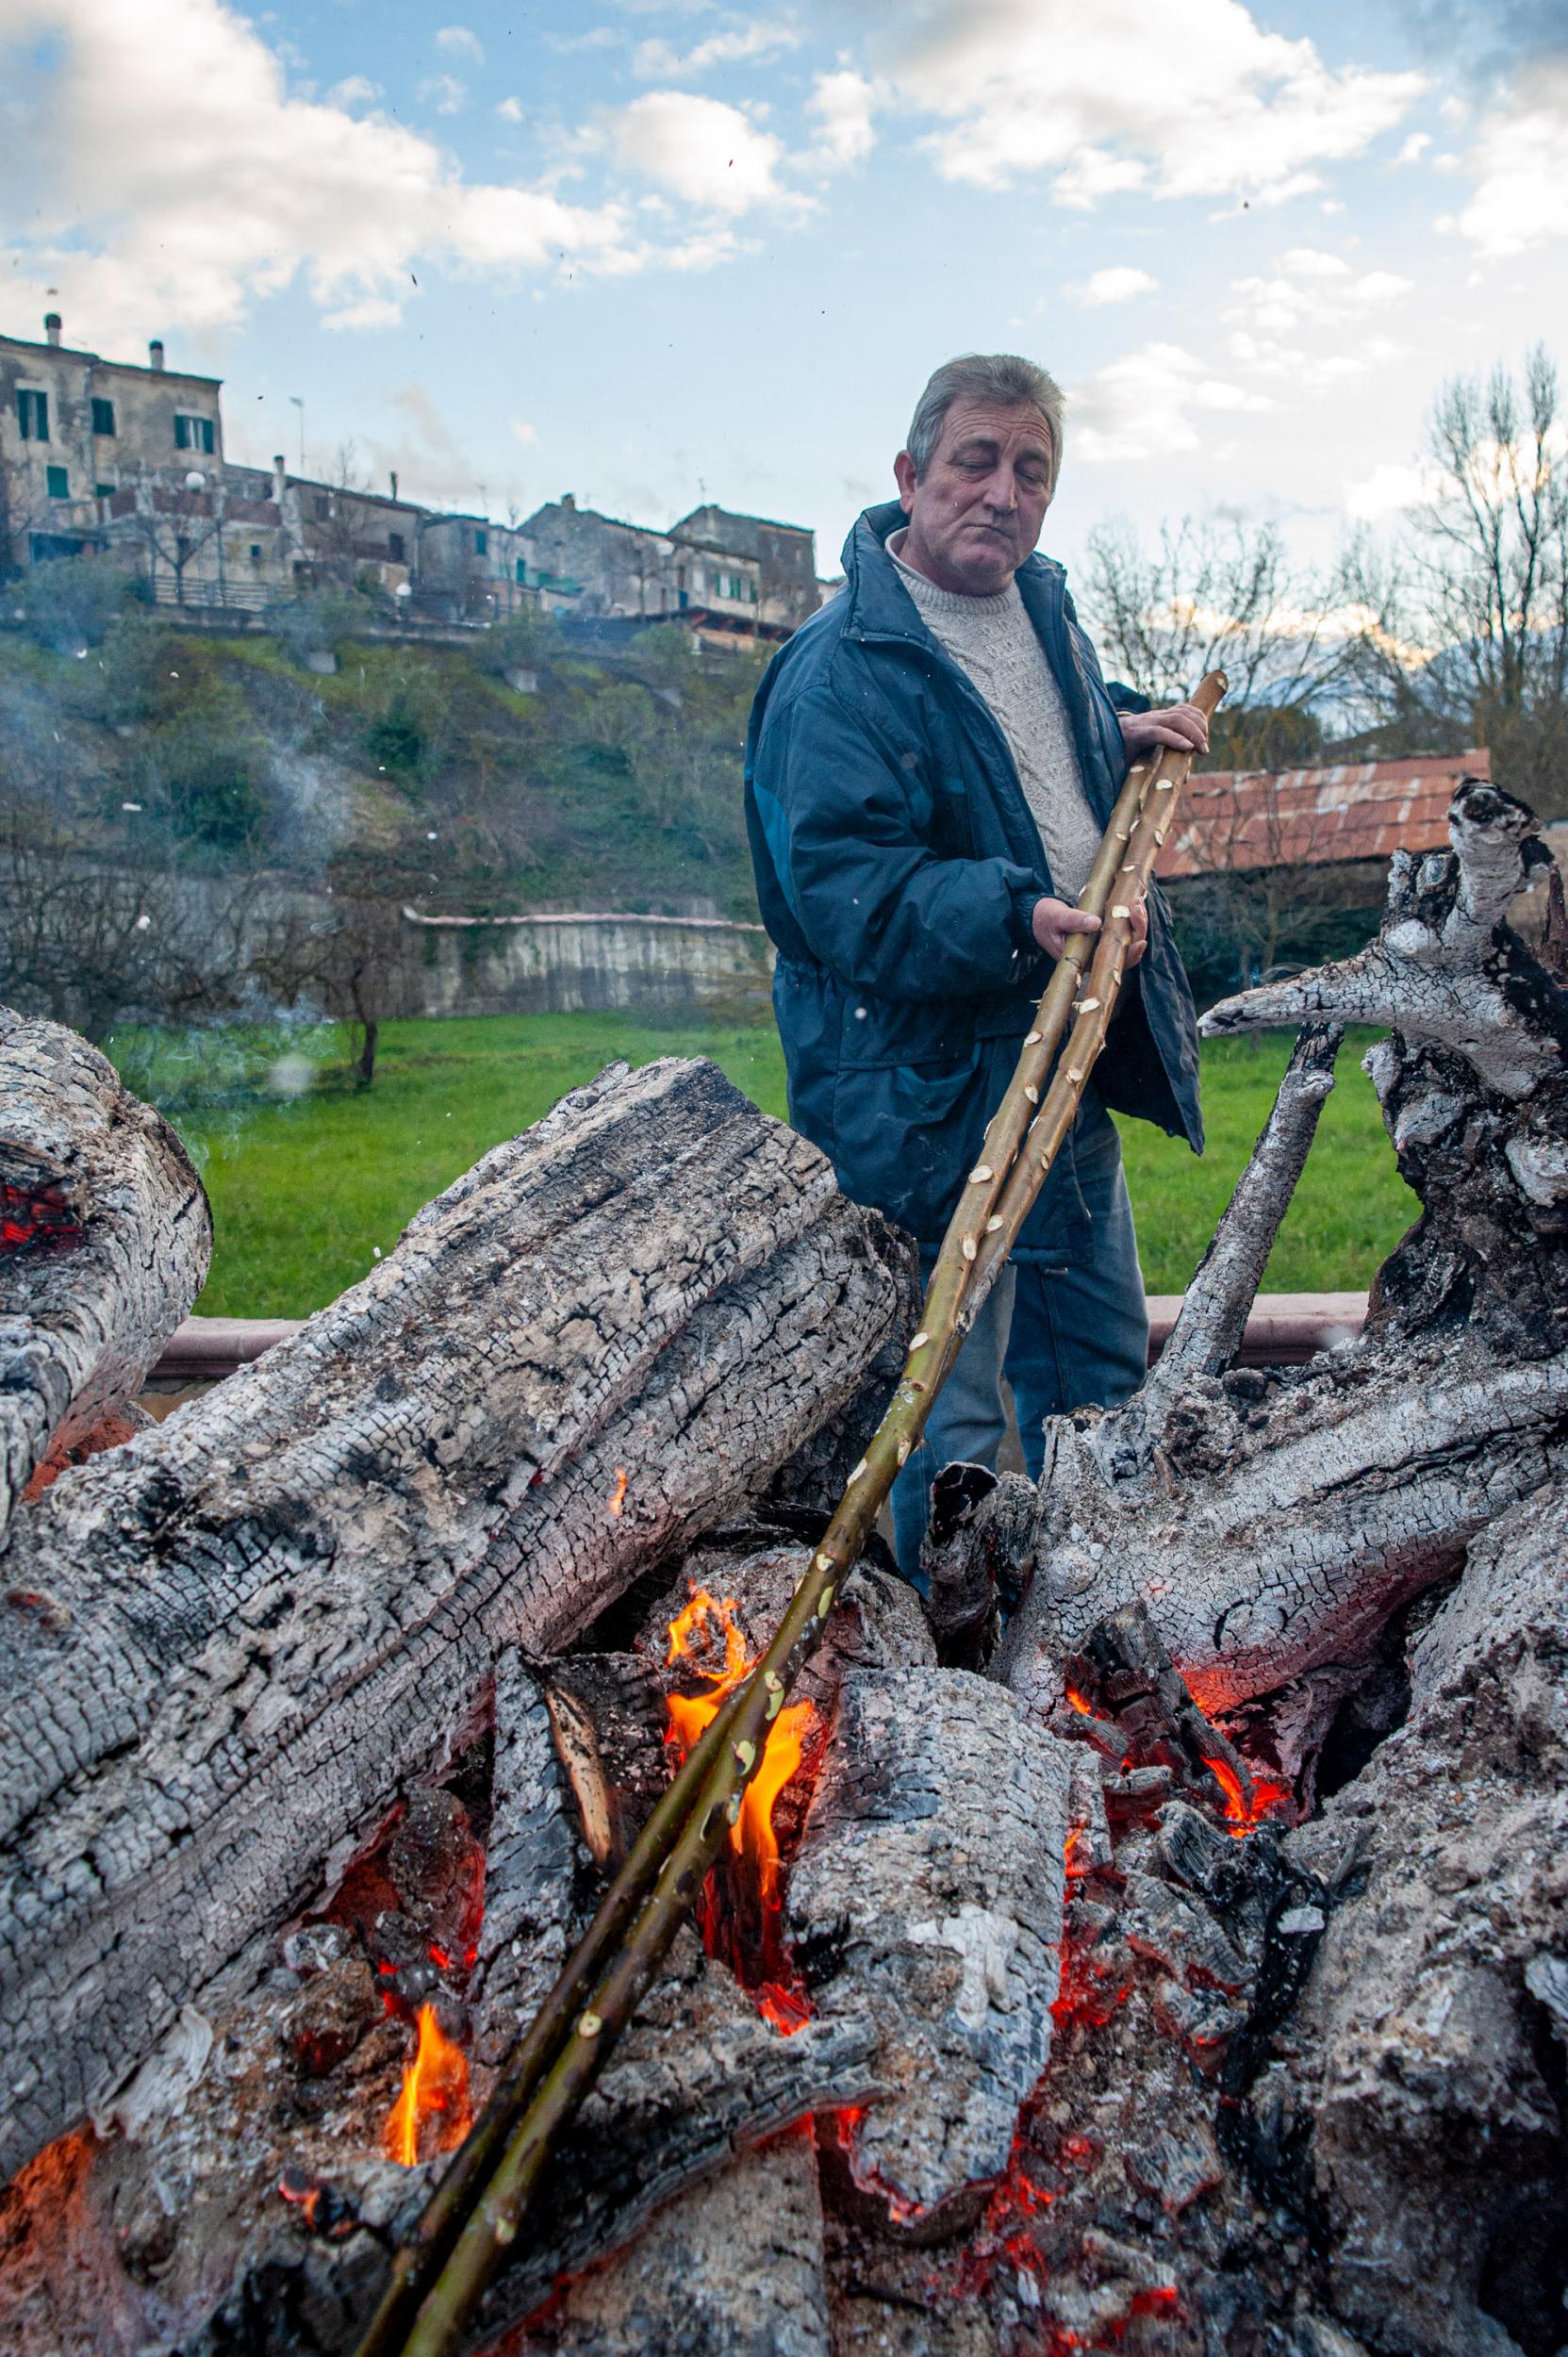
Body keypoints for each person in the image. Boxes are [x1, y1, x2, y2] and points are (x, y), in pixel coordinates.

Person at [743, 352, 1207, 1582]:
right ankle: (943, 1685)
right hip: (919, 1095)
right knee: (944, 1414)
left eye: (1032, 471)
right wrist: (1020, 913)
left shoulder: (1042, 610)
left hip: (1058, 1051)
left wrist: (1112, 723)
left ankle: (1097, 1645)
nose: (1003, 492)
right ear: (909, 476)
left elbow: (1004, 739)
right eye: (976, 462)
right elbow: (843, 880)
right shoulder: (837, 669)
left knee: (1099, 1377)